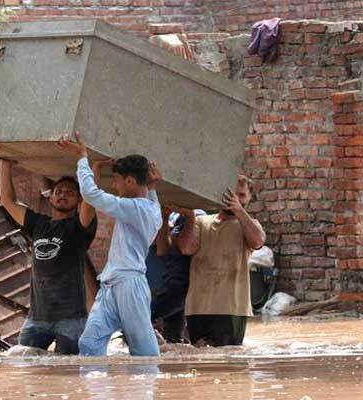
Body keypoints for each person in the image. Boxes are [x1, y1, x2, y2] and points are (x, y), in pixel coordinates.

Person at [58, 131, 163, 357]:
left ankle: (149, 390)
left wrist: (82, 157)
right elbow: (151, 195)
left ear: (130, 181)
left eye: (116, 181)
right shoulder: (152, 207)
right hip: (112, 284)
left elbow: (90, 193)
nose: (115, 187)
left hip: (130, 285)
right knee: (89, 344)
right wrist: (153, 187)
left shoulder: (136, 208)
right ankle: (96, 391)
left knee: (143, 351)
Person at [0, 158, 97, 355]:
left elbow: (90, 203)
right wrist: (5, 165)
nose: (62, 195)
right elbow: (8, 202)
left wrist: (92, 168)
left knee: (69, 371)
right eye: (58, 192)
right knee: (24, 367)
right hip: (37, 317)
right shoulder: (38, 224)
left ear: (79, 200)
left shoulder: (79, 228)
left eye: (69, 193)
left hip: (71, 318)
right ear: (50, 198)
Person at [173, 175, 265, 346]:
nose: (235, 199)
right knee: (200, 360)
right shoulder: (201, 221)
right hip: (197, 307)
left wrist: (238, 211)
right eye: (231, 195)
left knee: (227, 362)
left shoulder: (249, 225)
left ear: (250, 199)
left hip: (231, 309)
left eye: (242, 195)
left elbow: (258, 241)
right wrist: (190, 217)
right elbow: (186, 248)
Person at [146, 208, 205, 343]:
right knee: (172, 342)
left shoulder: (196, 216)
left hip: (175, 289)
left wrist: (188, 217)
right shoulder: (162, 214)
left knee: (143, 328)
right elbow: (159, 246)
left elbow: (185, 247)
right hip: (162, 287)